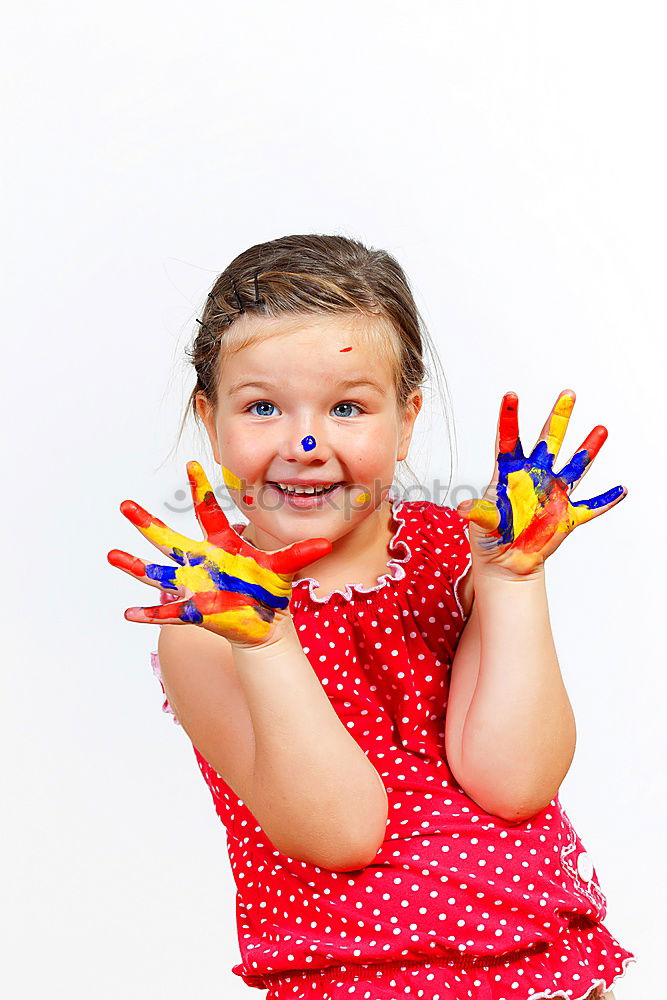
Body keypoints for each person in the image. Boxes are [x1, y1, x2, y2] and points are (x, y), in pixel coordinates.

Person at [108, 234, 636, 1000]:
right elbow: (340, 835)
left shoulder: (459, 552)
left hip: (549, 971)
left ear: (407, 418)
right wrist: (268, 642)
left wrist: (510, 580)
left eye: (347, 407)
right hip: (358, 980)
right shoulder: (208, 628)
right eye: (261, 406)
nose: (305, 444)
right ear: (209, 417)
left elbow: (513, 781)